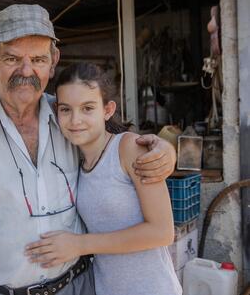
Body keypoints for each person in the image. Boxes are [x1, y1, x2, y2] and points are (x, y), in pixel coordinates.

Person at [0, 4, 176, 295]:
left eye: (38, 59)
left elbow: (117, 145)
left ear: (53, 62)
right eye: (12, 58)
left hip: (77, 286)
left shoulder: (68, 118)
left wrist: (164, 148)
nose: (26, 71)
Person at [25, 63, 182, 295]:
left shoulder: (128, 148)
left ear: (107, 110)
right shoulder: (74, 159)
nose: (75, 120)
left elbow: (162, 232)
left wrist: (80, 244)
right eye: (66, 109)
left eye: (88, 108)